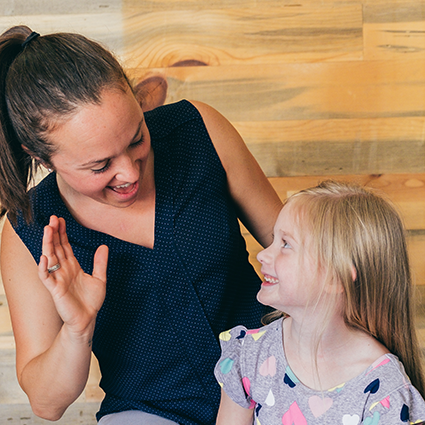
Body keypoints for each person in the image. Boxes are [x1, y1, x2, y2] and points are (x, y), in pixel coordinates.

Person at [0, 26, 283, 425]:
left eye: (136, 139)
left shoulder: (198, 130)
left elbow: (298, 251)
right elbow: (47, 404)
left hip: (273, 376)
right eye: (99, 166)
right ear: (43, 159)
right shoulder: (26, 231)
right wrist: (77, 329)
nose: (129, 173)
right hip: (151, 413)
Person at [214, 180, 425, 424]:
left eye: (285, 244)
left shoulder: (382, 392)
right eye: (274, 239)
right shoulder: (251, 354)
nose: (262, 254)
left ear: (335, 277)